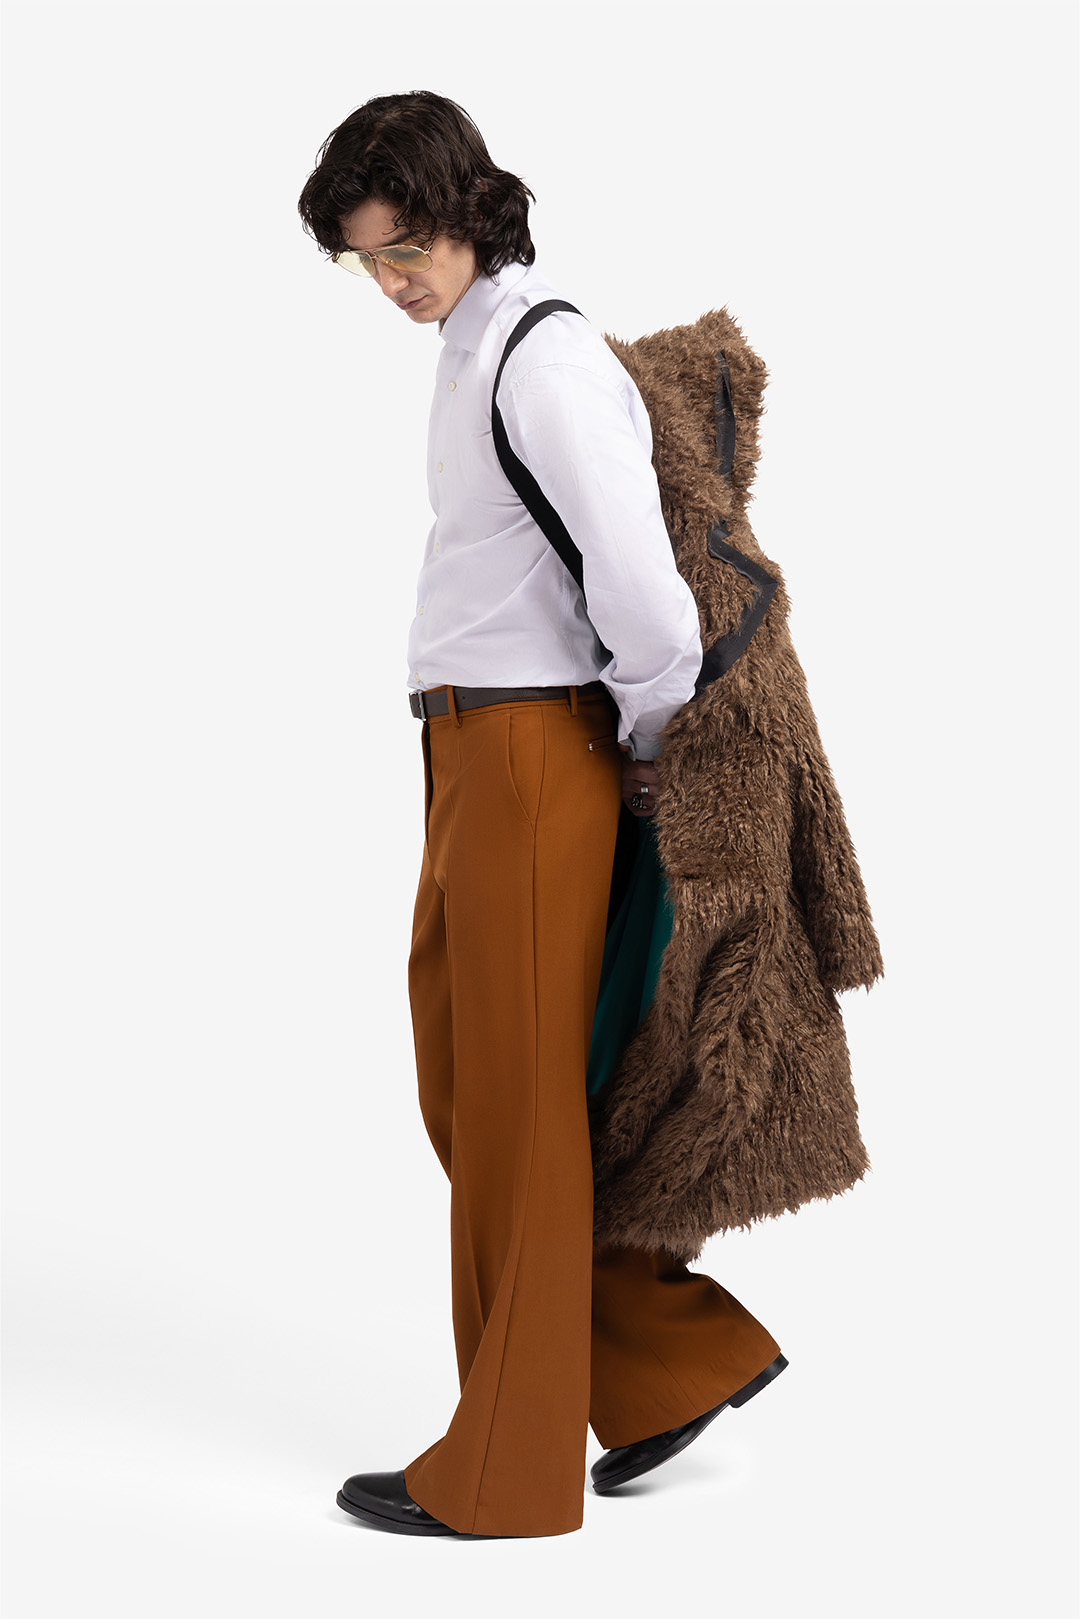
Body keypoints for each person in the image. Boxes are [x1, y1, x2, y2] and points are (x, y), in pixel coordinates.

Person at [297, 90, 786, 1541]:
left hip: (534, 754)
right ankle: (662, 1366)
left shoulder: (543, 358)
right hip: (473, 754)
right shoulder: (468, 349)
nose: (391, 280)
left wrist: (648, 746)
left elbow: (643, 593)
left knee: (514, 1107)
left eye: (408, 247)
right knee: (477, 1093)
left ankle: (505, 1476)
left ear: (467, 209)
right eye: (366, 260)